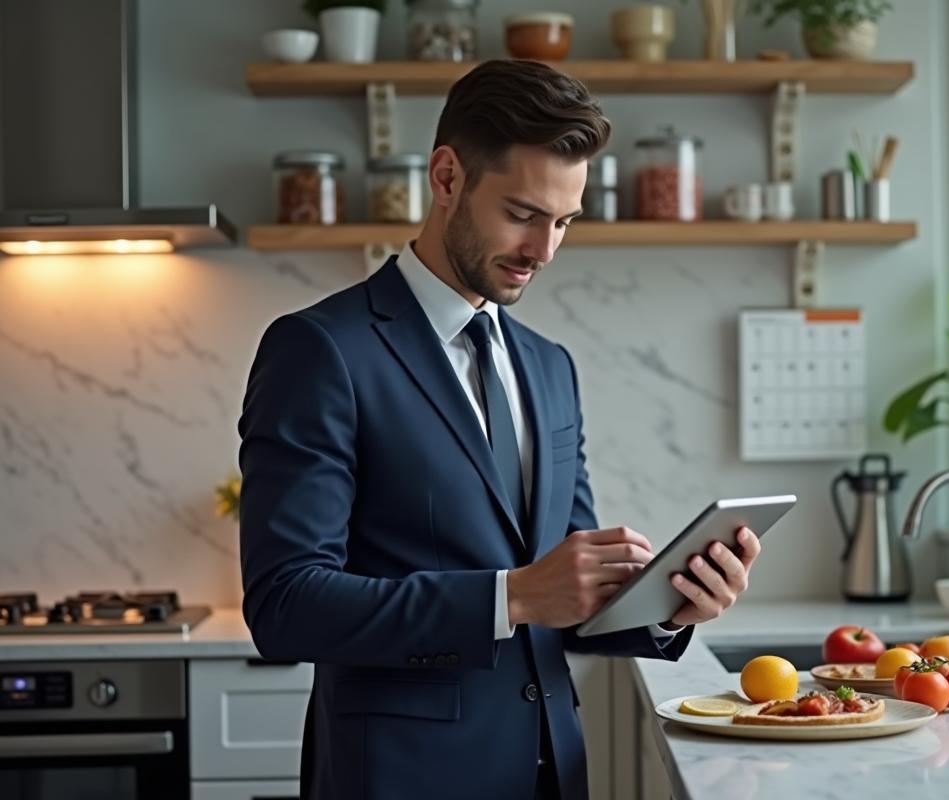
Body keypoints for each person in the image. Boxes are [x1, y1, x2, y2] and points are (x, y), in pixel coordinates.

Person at [238, 59, 762, 800]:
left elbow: (568, 595)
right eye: (522, 213)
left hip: (554, 773)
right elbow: (285, 606)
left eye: (564, 222)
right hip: (398, 780)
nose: (544, 251)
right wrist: (507, 597)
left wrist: (669, 607)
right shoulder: (321, 349)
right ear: (447, 177)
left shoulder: (550, 367)